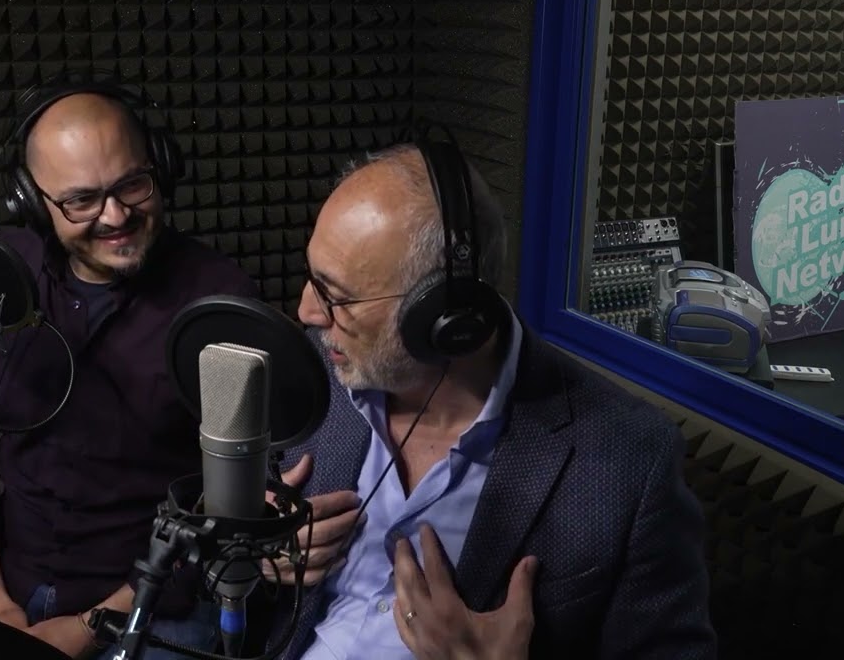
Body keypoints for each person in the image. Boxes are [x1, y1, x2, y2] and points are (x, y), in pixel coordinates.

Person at [260, 139, 716, 659]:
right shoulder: (314, 370)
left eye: (336, 296)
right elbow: (229, 552)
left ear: (443, 315)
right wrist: (251, 546)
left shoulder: (628, 460)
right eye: (313, 278)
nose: (307, 312)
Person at [0, 80, 259, 659]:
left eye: (132, 184)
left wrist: (87, 626)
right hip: (4, 582)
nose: (116, 215)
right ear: (32, 202)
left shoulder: (217, 301)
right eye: (81, 200)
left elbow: (226, 507)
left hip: (154, 600)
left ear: (161, 167)